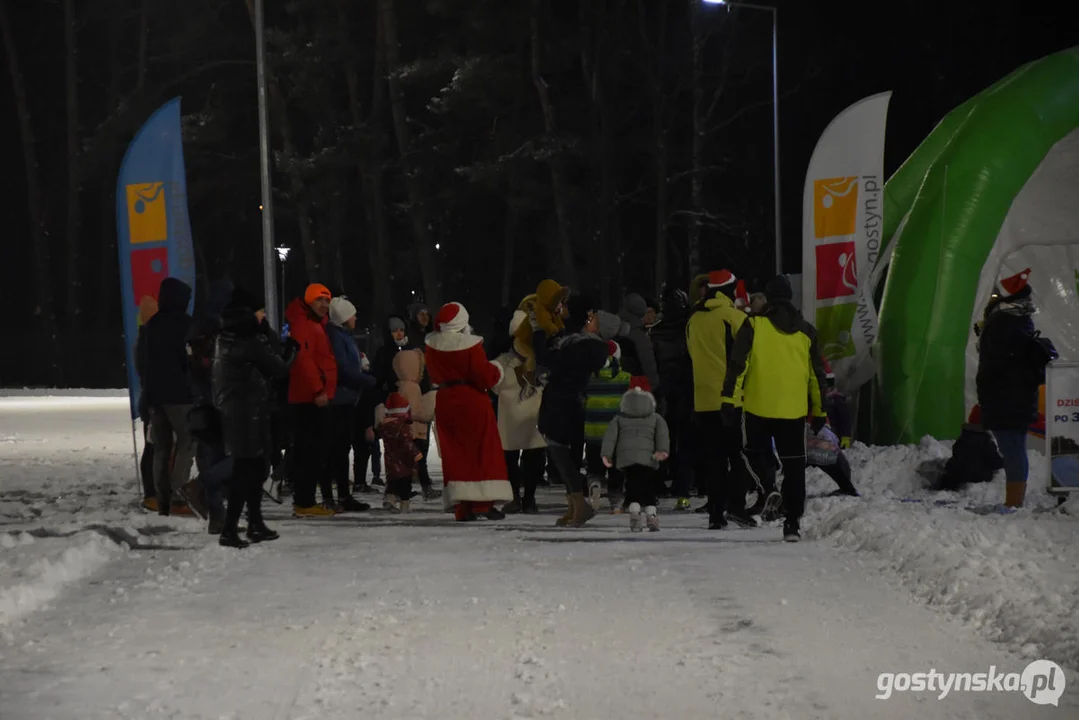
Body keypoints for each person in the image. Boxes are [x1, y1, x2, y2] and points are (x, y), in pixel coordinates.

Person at [722, 274, 828, 542]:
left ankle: (768, 486)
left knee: (750, 452)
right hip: (793, 409)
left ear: (768, 298)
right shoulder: (806, 331)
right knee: (795, 467)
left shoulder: (754, 325)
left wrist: (729, 400)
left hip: (758, 405)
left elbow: (739, 364)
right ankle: (792, 524)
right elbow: (817, 376)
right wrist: (820, 410)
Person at [212, 287, 297, 547]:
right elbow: (278, 368)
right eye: (260, 311)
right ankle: (232, 528)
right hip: (247, 412)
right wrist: (293, 350)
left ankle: (254, 523)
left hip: (237, 410)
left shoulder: (226, 336)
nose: (263, 316)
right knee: (248, 470)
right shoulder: (249, 339)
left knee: (249, 468)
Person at [534, 307, 622, 527]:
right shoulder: (583, 344)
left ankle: (579, 504)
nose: (588, 320)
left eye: (594, 320)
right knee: (562, 453)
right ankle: (574, 505)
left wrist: (538, 334)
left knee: (559, 452)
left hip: (563, 403)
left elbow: (550, 359)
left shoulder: (587, 346)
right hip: (566, 402)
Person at [976, 268, 1057, 508]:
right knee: (1014, 447)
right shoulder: (1020, 319)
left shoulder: (1004, 321)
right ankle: (1014, 502)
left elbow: (999, 361)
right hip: (1015, 396)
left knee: (1012, 449)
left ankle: (1014, 504)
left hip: (1006, 398)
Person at [425, 302, 513, 521]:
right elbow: (483, 376)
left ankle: (462, 506)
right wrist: (497, 370)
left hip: (446, 400)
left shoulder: (432, 345)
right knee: (482, 451)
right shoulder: (470, 346)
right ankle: (483, 503)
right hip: (471, 399)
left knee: (455, 453)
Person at [686, 269, 753, 529]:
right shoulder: (735, 318)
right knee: (738, 457)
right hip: (731, 399)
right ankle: (737, 506)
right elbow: (746, 358)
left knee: (713, 459)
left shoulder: (693, 320)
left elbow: (692, 355)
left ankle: (715, 514)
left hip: (702, 400)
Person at [135, 277, 197, 517]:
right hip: (180, 394)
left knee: (161, 447)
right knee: (187, 443)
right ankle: (178, 494)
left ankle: (162, 499)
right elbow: (189, 359)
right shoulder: (185, 325)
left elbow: (145, 363)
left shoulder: (152, 326)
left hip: (155, 396)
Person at [284, 283, 339, 517]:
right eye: (320, 300)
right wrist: (318, 390)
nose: (325, 305)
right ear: (309, 301)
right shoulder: (306, 326)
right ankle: (304, 502)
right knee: (310, 451)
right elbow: (305, 361)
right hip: (310, 399)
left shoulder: (313, 324)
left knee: (311, 451)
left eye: (327, 301)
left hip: (313, 396)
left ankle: (304, 500)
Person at [492, 312, 548, 514]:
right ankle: (527, 499)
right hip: (530, 416)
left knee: (514, 458)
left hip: (515, 418)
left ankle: (518, 497)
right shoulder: (538, 361)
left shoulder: (503, 362)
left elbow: (494, 386)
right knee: (532, 458)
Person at [326, 296, 376, 512]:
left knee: (341, 447)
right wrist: (367, 380)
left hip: (347, 397)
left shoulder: (343, 336)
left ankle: (342, 495)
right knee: (338, 447)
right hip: (341, 399)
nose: (355, 317)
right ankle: (340, 496)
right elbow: (343, 369)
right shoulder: (338, 337)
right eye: (352, 314)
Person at [649, 287, 695, 510]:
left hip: (662, 390)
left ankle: (658, 482)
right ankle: (683, 486)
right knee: (685, 439)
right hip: (687, 389)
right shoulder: (690, 329)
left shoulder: (656, 332)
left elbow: (653, 362)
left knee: (661, 436)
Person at [601, 385, 670, 532]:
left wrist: (606, 454)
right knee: (648, 487)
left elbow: (610, 438)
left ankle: (634, 512)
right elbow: (662, 436)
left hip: (627, 458)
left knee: (632, 486)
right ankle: (651, 515)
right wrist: (662, 451)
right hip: (648, 458)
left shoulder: (618, 419)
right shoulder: (656, 419)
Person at [391, 349, 439, 500]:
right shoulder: (412, 387)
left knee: (405, 463)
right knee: (419, 462)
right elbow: (416, 411)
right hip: (415, 431)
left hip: (405, 431)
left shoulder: (401, 386)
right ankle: (422, 489)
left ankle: (400, 490)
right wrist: (430, 404)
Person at [375, 391, 424, 513]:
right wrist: (416, 454)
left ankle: (390, 499)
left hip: (390, 462)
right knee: (405, 485)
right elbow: (407, 444)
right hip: (404, 463)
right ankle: (404, 505)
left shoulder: (385, 426)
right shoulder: (403, 427)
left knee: (391, 482)